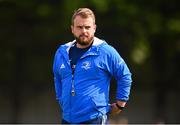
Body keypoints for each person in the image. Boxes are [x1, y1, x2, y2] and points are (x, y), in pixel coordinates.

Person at [53, 8, 132, 124]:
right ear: (72, 29)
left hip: (95, 119)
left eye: (87, 27)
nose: (84, 31)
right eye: (79, 27)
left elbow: (125, 75)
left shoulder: (106, 51)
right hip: (67, 119)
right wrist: (62, 100)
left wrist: (120, 104)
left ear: (94, 28)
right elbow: (57, 78)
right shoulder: (61, 52)